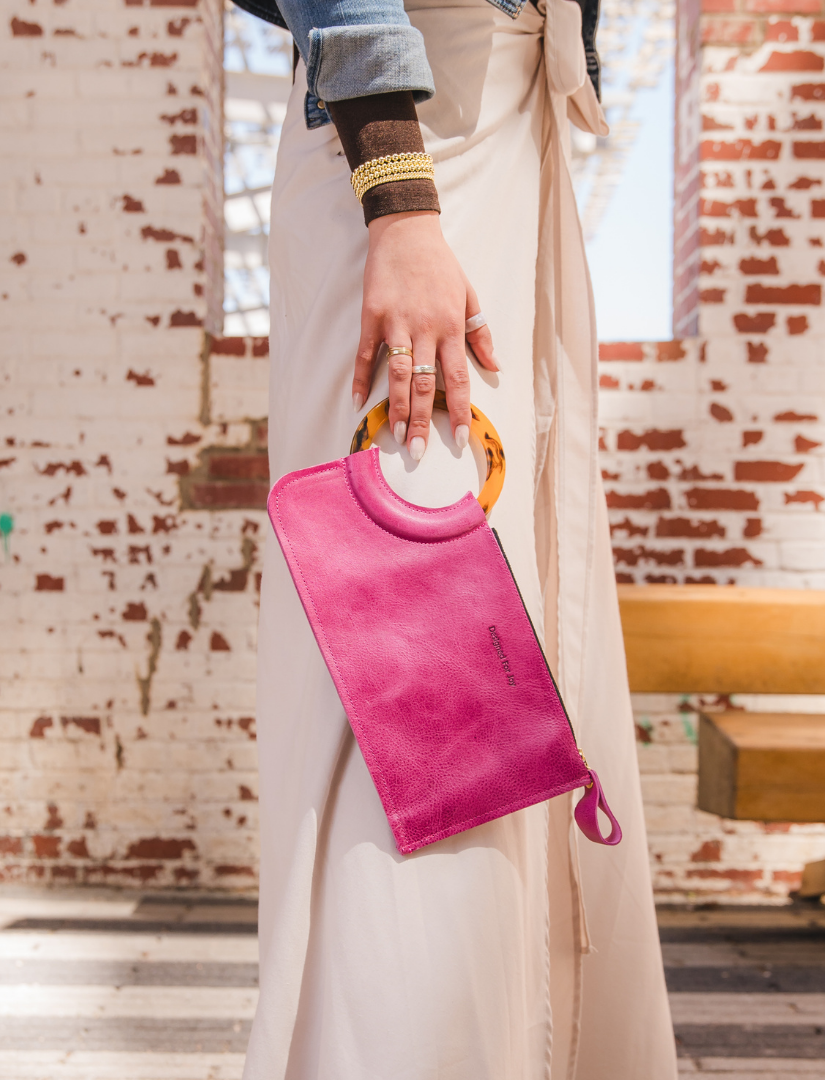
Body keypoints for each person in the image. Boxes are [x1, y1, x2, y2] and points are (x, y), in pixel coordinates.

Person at [234, 1, 678, 1076]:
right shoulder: (402, 186)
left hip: (504, 132)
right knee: (420, 698)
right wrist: (398, 199)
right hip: (411, 153)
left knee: (502, 663)